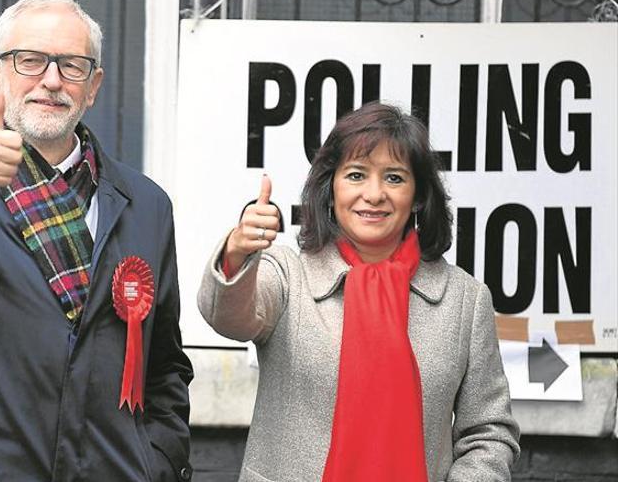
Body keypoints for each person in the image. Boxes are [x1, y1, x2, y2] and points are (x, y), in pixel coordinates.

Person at [0, 0, 193, 481]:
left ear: (93, 86)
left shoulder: (147, 205)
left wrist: (157, 462)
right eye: (30, 61)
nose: (52, 80)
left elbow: (165, 368)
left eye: (72, 65)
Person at [198, 102, 520, 481]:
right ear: (330, 188)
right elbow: (228, 317)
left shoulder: (464, 301)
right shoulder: (288, 275)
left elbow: (488, 432)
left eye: (394, 178)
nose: (374, 194)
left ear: (418, 196)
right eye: (356, 175)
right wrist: (237, 253)